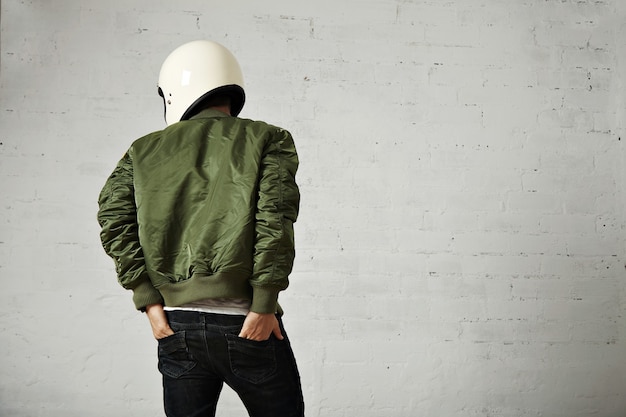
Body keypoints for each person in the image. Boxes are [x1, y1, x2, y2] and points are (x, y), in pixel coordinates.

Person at [97, 40, 304, 417]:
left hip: (176, 325)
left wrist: (150, 302)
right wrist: (264, 304)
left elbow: (114, 219)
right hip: (247, 321)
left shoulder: (141, 151)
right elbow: (274, 220)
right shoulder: (269, 139)